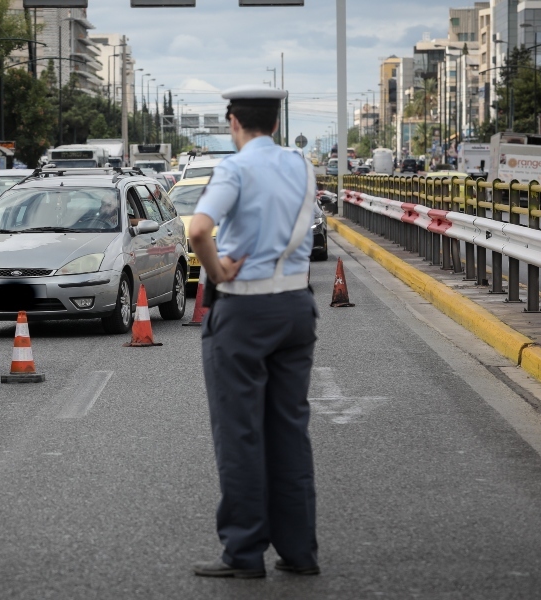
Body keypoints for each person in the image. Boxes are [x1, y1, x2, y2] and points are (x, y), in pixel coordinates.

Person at [189, 85, 320, 579]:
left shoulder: (235, 167)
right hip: (296, 306)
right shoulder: (302, 166)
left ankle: (244, 554)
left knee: (240, 433)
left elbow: (198, 229)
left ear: (233, 122)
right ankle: (300, 551)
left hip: (245, 312)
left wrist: (218, 272)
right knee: (289, 430)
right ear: (277, 123)